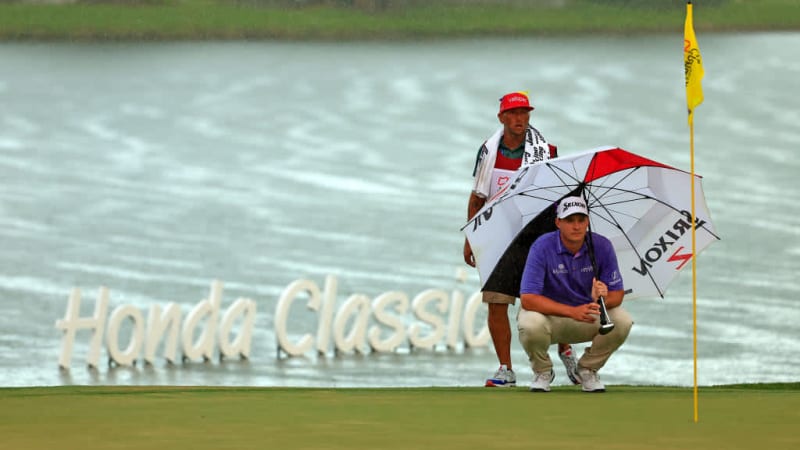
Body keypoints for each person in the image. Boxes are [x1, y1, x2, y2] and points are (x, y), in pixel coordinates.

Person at [463, 91, 580, 388]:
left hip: (536, 233)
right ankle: (506, 369)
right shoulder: (488, 151)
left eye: (524, 113)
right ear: (502, 117)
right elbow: (478, 195)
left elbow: (557, 195)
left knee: (548, 298)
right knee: (496, 301)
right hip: (497, 234)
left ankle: (565, 349)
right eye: (513, 114)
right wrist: (469, 236)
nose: (520, 119)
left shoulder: (546, 150)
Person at [517, 196, 633, 393]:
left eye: (581, 220)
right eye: (570, 220)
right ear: (558, 222)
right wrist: (571, 311)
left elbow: (618, 295)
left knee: (622, 320)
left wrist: (601, 296)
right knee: (529, 324)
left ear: (588, 221)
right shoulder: (542, 246)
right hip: (550, 318)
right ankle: (543, 371)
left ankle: (587, 368)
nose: (576, 226)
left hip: (587, 316)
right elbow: (528, 299)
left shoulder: (602, 246)